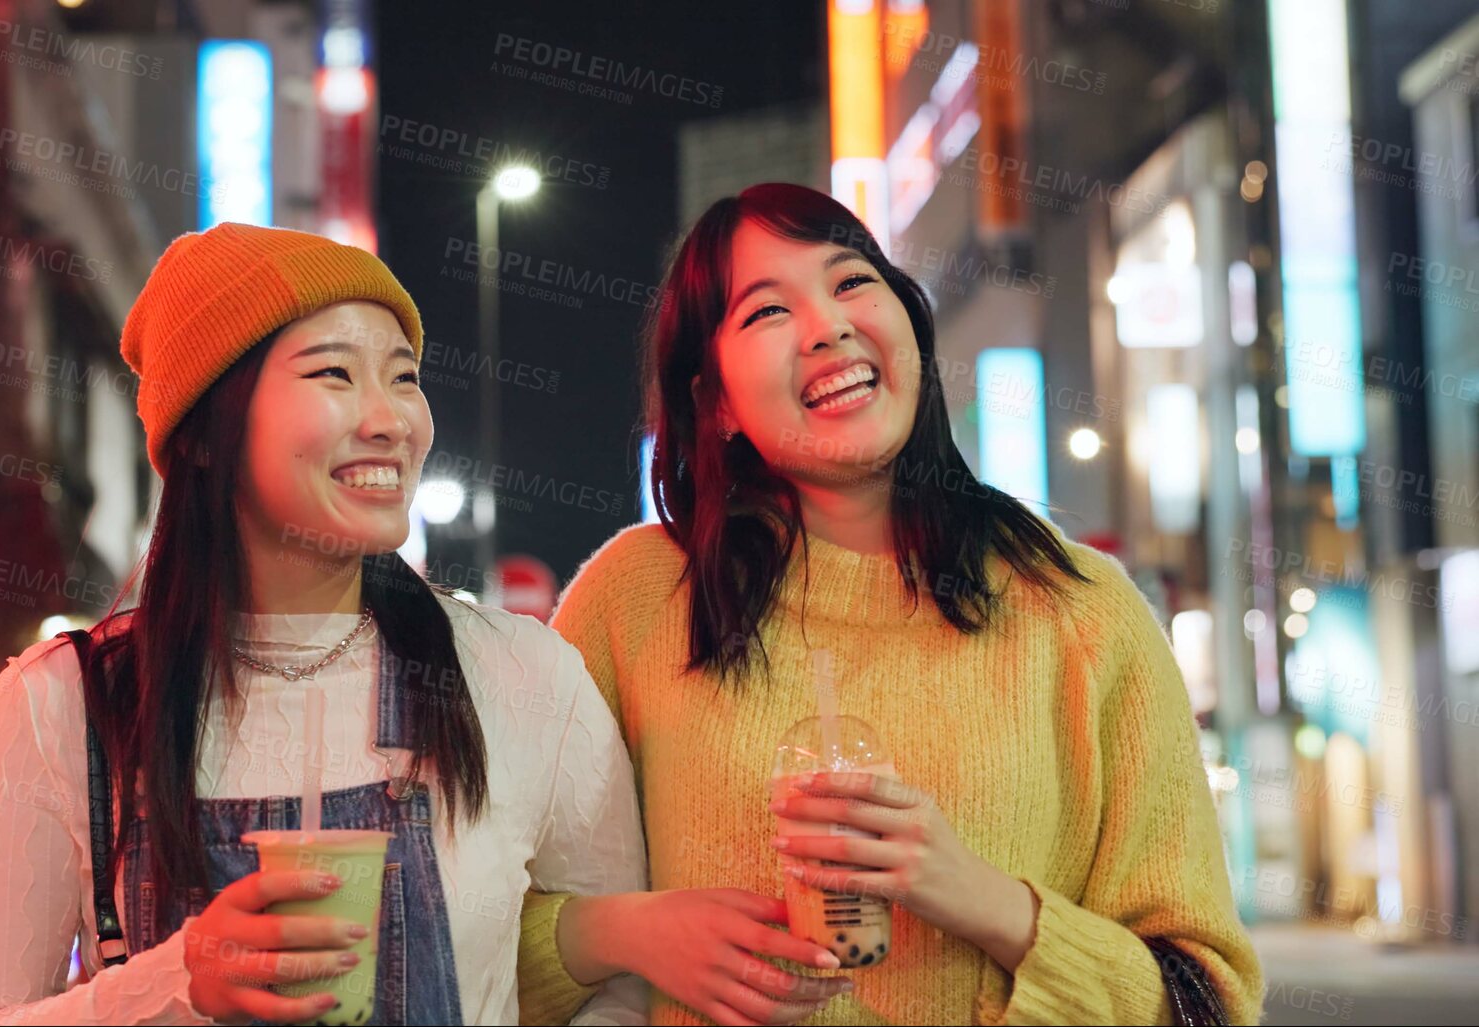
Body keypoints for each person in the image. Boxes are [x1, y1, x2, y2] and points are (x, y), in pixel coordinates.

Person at [516, 183, 1266, 1025]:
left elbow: (1207, 996)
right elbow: (476, 923)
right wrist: (624, 931)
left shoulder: (1078, 608)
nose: (827, 326)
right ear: (715, 402)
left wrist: (981, 899)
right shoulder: (641, 597)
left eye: (850, 282)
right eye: (766, 313)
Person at [0, 223, 647, 1025]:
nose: (390, 420)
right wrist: (173, 984)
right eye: (334, 373)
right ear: (205, 435)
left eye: (403, 377)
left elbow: (625, 978)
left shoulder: (520, 675)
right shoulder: (61, 704)